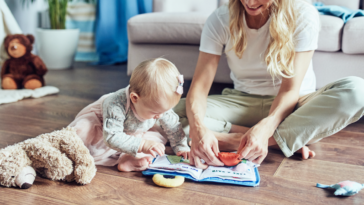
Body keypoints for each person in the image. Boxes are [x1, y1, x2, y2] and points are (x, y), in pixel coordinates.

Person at [174, 0, 364, 169]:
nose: (249, 2)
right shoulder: (220, 19)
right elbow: (198, 88)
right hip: (243, 102)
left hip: (294, 106)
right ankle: (280, 141)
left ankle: (262, 140)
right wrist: (198, 130)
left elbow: (290, 90)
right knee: (167, 112)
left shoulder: (303, 14)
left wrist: (265, 130)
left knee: (358, 92)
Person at [69, 58, 190, 172]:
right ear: (134, 98)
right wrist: (142, 144)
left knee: (157, 140)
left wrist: (181, 146)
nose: (161, 116)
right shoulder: (115, 104)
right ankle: (121, 153)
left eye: (165, 111)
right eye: (156, 112)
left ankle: (127, 158)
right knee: (81, 135)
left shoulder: (157, 107)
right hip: (103, 131)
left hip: (133, 132)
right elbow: (111, 137)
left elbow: (173, 126)